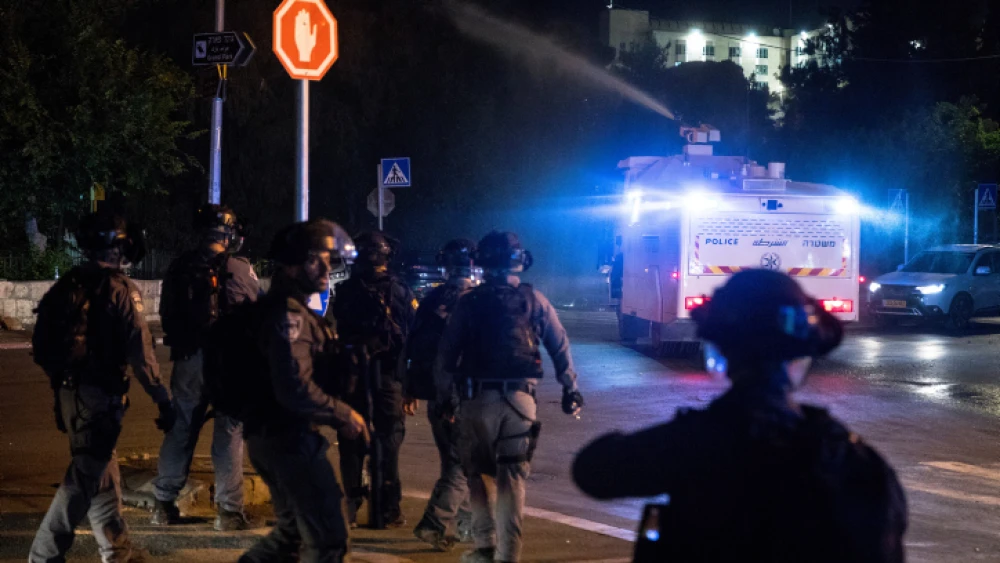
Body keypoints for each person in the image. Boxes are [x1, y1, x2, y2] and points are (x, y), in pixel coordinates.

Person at [572, 269, 908, 563]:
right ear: (801, 354)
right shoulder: (852, 461)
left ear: (723, 351)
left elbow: (593, 471)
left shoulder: (694, 444)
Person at [29, 212, 174, 563]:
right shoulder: (120, 289)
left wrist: (65, 390)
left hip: (71, 395)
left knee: (100, 472)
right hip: (97, 397)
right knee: (82, 479)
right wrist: (163, 400)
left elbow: (43, 346)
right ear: (117, 246)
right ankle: (44, 555)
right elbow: (141, 355)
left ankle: (117, 550)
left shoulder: (69, 284)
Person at [437, 231, 584, 563]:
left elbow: (446, 356)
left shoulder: (469, 302)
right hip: (521, 402)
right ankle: (509, 556)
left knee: (478, 475)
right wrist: (569, 387)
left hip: (476, 401)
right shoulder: (534, 300)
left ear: (482, 264)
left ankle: (484, 546)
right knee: (512, 480)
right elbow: (559, 344)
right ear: (519, 262)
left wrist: (445, 396)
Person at [239, 219, 368, 563]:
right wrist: (343, 414)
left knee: (291, 536)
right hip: (287, 439)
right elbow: (294, 387)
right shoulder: (288, 316)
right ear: (291, 264)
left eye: (328, 258)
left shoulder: (291, 310)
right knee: (328, 540)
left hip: (275, 435)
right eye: (315, 259)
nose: (326, 267)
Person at [152, 204, 259, 530]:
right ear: (229, 235)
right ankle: (228, 512)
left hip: (188, 360)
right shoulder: (240, 269)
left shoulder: (179, 267)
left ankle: (163, 505)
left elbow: (165, 314)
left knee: (182, 428)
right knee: (229, 433)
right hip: (229, 364)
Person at [331, 230, 418, 528]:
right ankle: (386, 509)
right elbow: (410, 341)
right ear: (387, 256)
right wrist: (410, 387)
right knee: (388, 441)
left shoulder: (344, 291)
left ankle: (350, 508)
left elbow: (337, 334)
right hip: (389, 379)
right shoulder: (401, 291)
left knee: (351, 440)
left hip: (352, 377)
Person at [408, 239, 477, 551]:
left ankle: (466, 526)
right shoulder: (478, 300)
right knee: (462, 466)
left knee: (457, 463)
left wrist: (410, 389)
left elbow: (411, 345)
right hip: (464, 395)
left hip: (436, 396)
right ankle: (434, 524)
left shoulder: (431, 298)